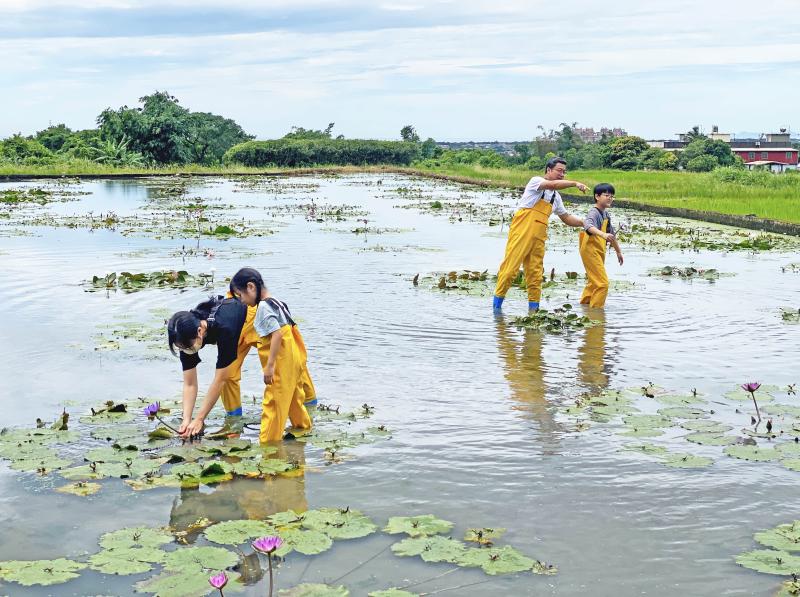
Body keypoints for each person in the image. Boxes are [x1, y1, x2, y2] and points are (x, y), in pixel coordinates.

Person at [229, 267, 313, 443]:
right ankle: (302, 430)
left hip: (281, 362)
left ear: (251, 287)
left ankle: (269, 444)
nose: (242, 302)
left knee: (274, 403)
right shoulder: (276, 302)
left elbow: (277, 334)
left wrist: (270, 365)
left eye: (241, 295)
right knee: (293, 399)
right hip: (294, 359)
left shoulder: (264, 307)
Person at [493, 157, 589, 311]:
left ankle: (534, 310)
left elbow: (566, 217)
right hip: (522, 232)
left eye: (564, 172)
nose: (562, 174)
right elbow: (552, 184)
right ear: (548, 170)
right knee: (510, 270)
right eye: (559, 171)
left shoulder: (556, 198)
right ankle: (496, 309)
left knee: (535, 275)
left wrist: (585, 223)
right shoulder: (536, 182)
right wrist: (574, 183)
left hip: (538, 238)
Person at [168, 295, 262, 438]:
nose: (185, 350)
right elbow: (190, 384)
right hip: (234, 328)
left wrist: (199, 419)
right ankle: (234, 421)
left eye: (185, 346)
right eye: (180, 347)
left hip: (252, 319)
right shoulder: (186, 337)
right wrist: (187, 419)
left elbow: (220, 379)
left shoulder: (224, 328)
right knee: (230, 377)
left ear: (200, 332)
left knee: (286, 368)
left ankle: (309, 402)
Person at [579, 183, 624, 308]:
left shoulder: (606, 214)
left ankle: (585, 307)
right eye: (607, 195)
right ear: (597, 196)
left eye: (612, 196)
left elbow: (612, 235)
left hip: (599, 250)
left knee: (594, 282)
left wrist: (618, 252)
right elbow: (588, 226)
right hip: (590, 250)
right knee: (602, 284)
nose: (610, 198)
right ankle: (596, 312)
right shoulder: (594, 212)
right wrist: (602, 235)